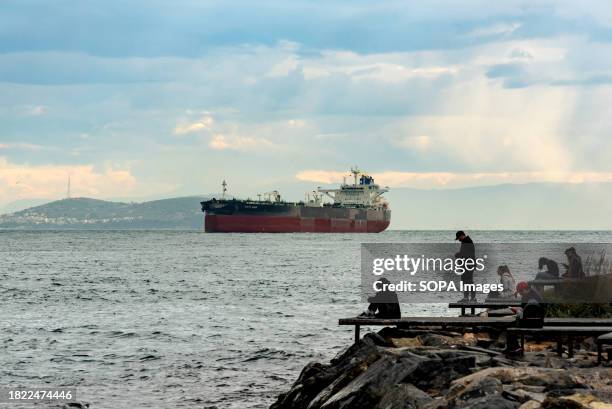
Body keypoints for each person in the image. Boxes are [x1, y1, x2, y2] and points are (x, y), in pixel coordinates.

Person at [505, 282, 545, 356]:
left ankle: (514, 348)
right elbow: (527, 311)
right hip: (537, 321)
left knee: (510, 326)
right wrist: (519, 311)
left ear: (526, 289)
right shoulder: (530, 295)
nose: (520, 294)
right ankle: (513, 347)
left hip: (533, 323)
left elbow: (527, 312)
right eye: (519, 292)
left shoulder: (532, 300)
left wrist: (517, 312)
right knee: (511, 324)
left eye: (521, 291)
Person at [455, 230, 476, 302]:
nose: (459, 240)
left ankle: (471, 298)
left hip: (468, 265)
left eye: (459, 238)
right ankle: (467, 298)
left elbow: (466, 254)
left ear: (462, 235)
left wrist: (458, 255)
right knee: (466, 281)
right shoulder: (467, 241)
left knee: (468, 281)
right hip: (467, 265)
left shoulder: (467, 242)